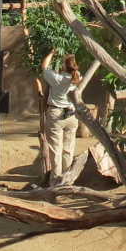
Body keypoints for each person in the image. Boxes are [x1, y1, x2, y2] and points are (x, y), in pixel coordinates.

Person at [38, 50, 80, 185]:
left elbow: (44, 66)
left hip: (56, 114)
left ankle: (56, 182)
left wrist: (50, 53)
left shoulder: (57, 78)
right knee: (68, 149)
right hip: (72, 115)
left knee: (56, 149)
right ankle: (68, 181)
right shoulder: (77, 78)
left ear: (64, 66)